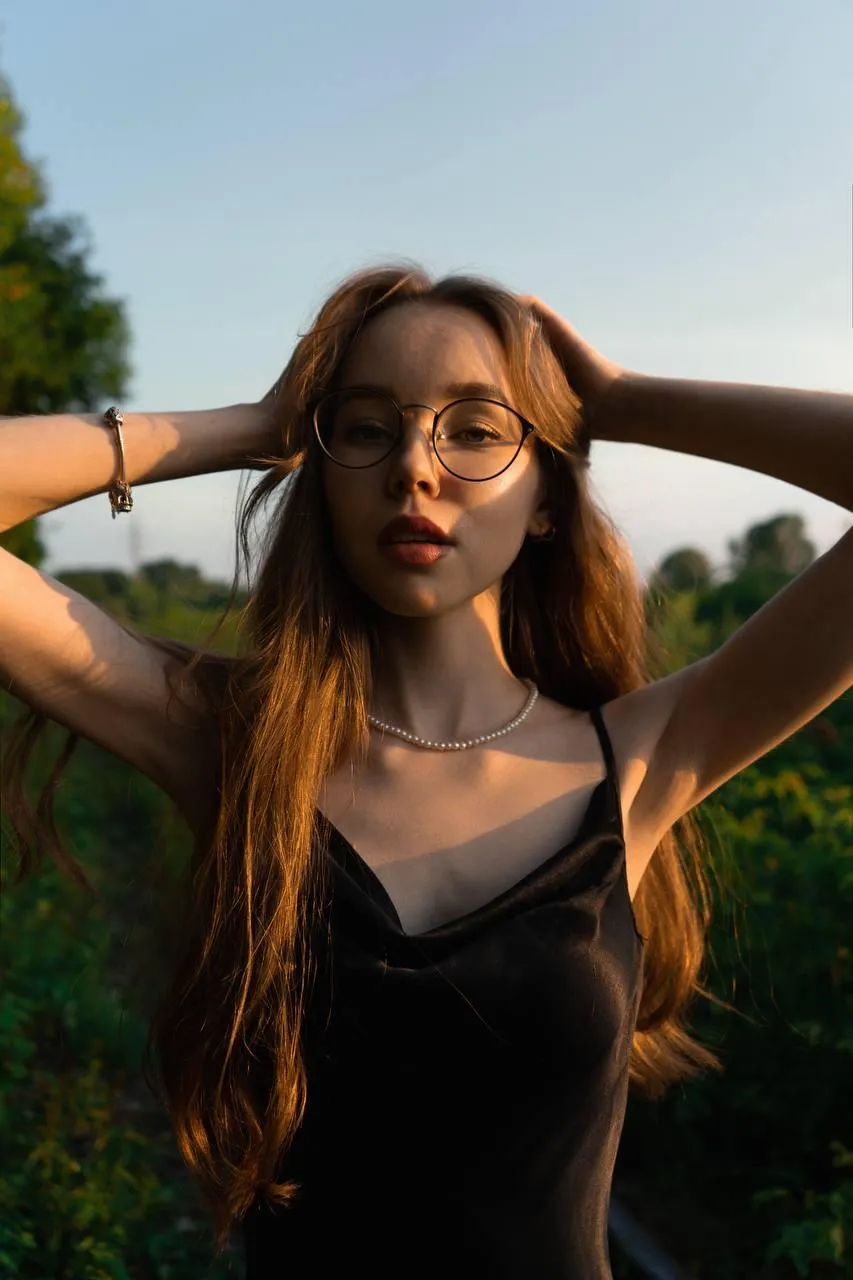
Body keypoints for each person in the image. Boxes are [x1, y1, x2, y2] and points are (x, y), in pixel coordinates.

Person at [2, 264, 851, 1278]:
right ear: (320, 478)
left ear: (546, 496)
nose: (414, 464)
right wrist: (258, 425)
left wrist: (621, 403)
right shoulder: (238, 745)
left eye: (478, 428)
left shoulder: (641, 755)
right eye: (364, 427)